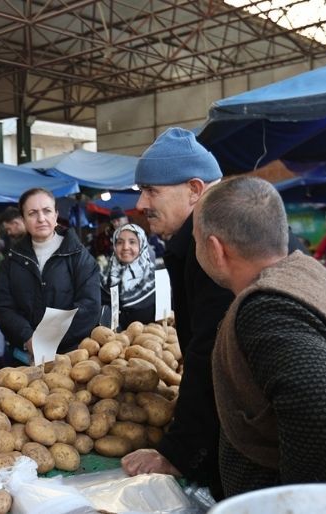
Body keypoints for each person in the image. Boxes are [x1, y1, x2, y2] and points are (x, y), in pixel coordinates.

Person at [193, 176, 326, 496]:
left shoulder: (267, 309)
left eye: (196, 240)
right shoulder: (306, 273)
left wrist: (294, 502)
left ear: (214, 249)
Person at [120, 127, 232, 496]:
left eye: (152, 190)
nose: (140, 204)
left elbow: (210, 354)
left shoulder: (215, 245)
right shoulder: (198, 238)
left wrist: (178, 453)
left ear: (195, 190)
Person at [0, 188, 101, 366]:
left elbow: (90, 305)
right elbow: (1, 305)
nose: (41, 219)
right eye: (32, 213)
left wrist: (49, 341)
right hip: (27, 359)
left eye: (47, 211)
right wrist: (27, 337)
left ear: (56, 215)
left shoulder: (78, 256)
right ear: (23, 219)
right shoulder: (12, 260)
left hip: (72, 358)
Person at [103, 223, 156, 328]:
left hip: (149, 341)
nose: (125, 247)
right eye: (120, 242)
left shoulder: (156, 282)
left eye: (132, 242)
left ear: (142, 245)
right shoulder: (104, 281)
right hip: (111, 343)